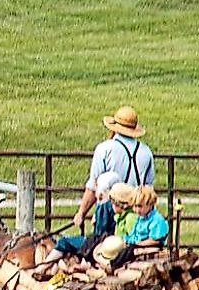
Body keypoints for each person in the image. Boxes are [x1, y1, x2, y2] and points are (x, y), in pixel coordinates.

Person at [61, 106, 155, 257]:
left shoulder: (104, 149)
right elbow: (148, 190)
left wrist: (81, 213)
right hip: (135, 210)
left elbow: (93, 187)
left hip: (109, 208)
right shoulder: (146, 152)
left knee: (99, 249)